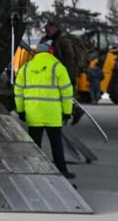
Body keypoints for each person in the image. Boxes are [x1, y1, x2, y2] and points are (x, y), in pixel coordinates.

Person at [15, 37, 76, 179]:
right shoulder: (57, 67)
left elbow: (18, 91)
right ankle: (62, 170)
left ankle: (33, 169)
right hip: (52, 114)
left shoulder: (26, 68)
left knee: (34, 144)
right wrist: (67, 112)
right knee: (56, 144)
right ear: (51, 52)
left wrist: (21, 110)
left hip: (33, 113)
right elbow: (67, 93)